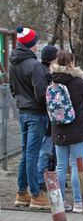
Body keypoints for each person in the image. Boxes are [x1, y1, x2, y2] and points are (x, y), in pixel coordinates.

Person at [50, 51, 83, 212]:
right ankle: (79, 202)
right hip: (78, 129)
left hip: (58, 129)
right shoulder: (78, 82)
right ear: (72, 63)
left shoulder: (53, 82)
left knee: (61, 166)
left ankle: (60, 203)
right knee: (77, 167)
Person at [10, 26, 51, 210]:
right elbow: (41, 93)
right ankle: (35, 194)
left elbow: (12, 89)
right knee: (33, 154)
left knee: (26, 153)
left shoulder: (14, 63)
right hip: (36, 113)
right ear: (31, 44)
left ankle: (21, 192)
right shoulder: (34, 65)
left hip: (23, 111)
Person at [37, 45, 58, 192]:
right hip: (46, 116)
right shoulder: (48, 74)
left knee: (43, 150)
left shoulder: (40, 70)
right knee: (45, 151)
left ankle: (41, 177)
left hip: (41, 115)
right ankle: (40, 179)